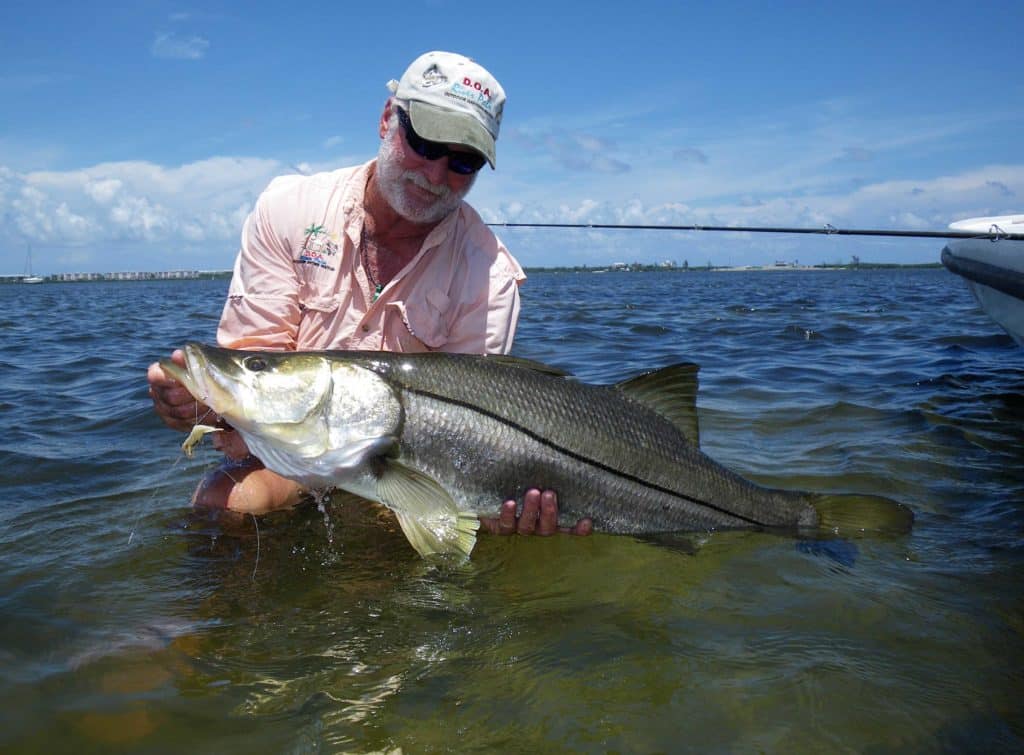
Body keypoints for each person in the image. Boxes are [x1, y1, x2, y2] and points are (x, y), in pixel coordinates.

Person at [148, 51, 591, 538]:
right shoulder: (288, 209)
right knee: (226, 503)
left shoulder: (491, 277)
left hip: (408, 473)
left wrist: (499, 507)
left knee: (395, 544)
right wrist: (208, 403)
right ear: (387, 119)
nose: (435, 175)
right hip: (293, 451)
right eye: (423, 142)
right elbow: (259, 359)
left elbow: (468, 449)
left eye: (463, 161)